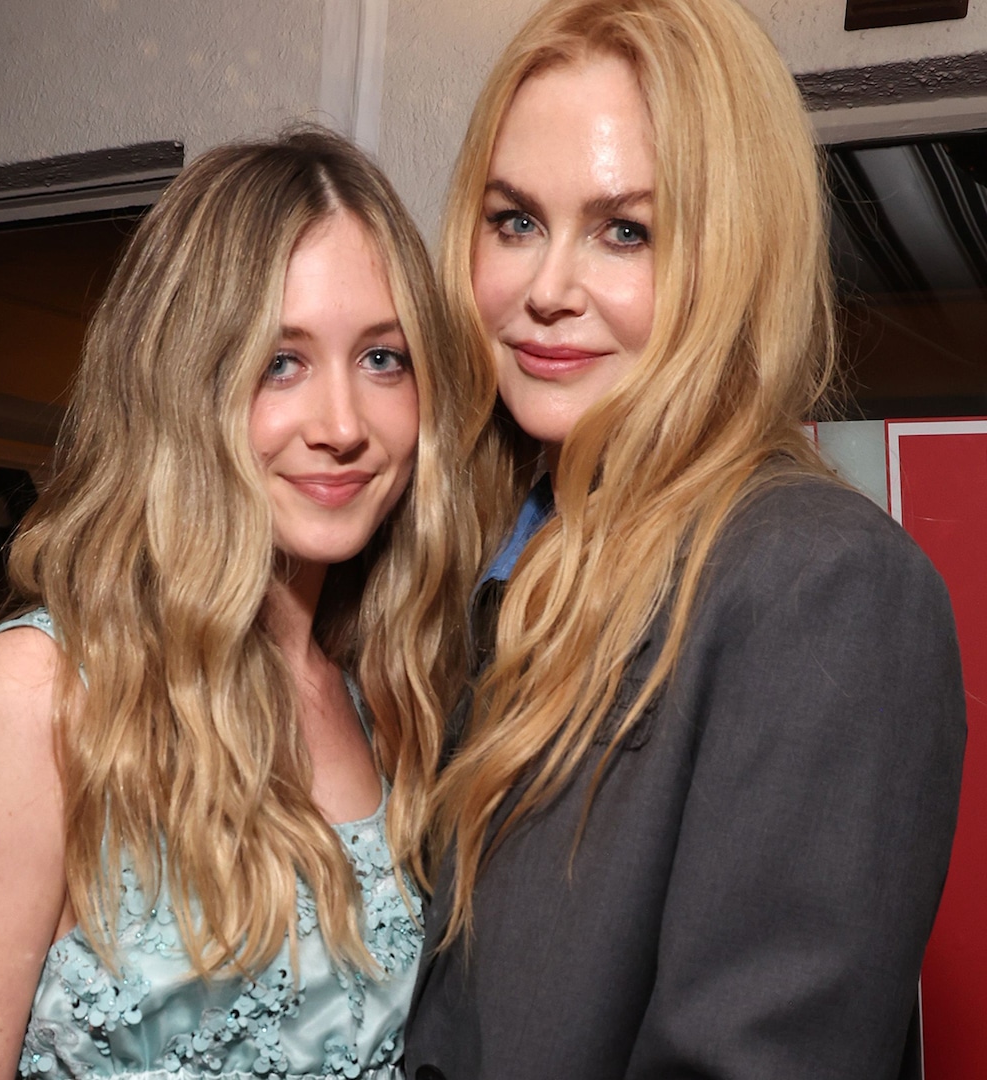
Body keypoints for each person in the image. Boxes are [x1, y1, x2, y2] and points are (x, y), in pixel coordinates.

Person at [404, 1, 966, 1078]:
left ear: (732, 259)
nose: (545, 291)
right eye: (514, 221)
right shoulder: (484, 555)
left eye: (626, 231)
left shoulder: (821, 584)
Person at [0, 129, 471, 1080]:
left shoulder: (391, 693)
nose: (343, 425)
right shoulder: (44, 690)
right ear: (183, 387)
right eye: (280, 362)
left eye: (383, 358)